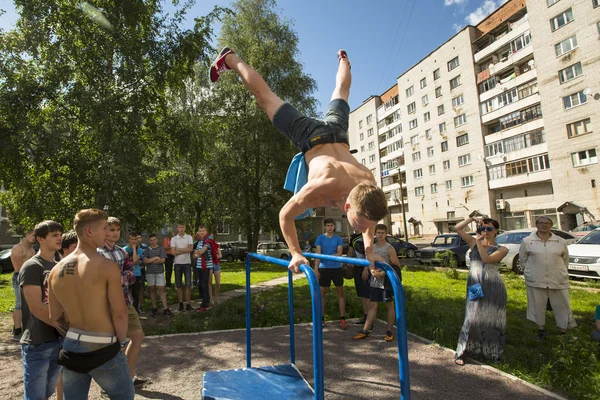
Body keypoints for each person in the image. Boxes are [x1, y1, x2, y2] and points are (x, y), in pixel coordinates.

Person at [209, 47, 388, 275]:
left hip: (338, 134)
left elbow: (370, 221)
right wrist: (295, 251)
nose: (364, 229)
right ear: (346, 206)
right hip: (309, 136)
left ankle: (344, 59)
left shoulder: (368, 186)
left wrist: (370, 252)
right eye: (361, 224)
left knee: (342, 92)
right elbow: (285, 215)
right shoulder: (318, 188)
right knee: (265, 97)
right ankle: (230, 58)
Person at [48, 209, 134, 400]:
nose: (107, 232)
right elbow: (119, 313)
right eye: (104, 228)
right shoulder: (106, 266)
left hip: (71, 346)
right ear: (89, 231)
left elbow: (54, 317)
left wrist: (76, 336)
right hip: (103, 344)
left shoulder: (55, 271)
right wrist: (121, 343)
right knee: (124, 396)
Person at [97, 217, 147, 386]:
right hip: (107, 305)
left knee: (137, 336)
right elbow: (99, 279)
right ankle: (110, 385)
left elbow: (131, 274)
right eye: (111, 230)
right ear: (104, 230)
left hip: (126, 301)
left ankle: (128, 377)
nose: (115, 233)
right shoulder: (97, 252)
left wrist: (117, 278)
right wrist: (117, 278)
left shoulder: (122, 251)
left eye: (117, 230)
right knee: (113, 345)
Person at [18, 220, 64, 400]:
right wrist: (64, 328)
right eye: (54, 235)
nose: (59, 238)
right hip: (38, 341)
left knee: (46, 393)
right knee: (36, 396)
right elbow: (36, 308)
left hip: (58, 340)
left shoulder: (57, 266)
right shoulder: (32, 266)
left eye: (60, 234)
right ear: (40, 239)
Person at [454, 217, 508, 365]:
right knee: (471, 318)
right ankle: (463, 352)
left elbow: (487, 260)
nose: (485, 232)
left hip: (493, 287)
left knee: (493, 319)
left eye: (489, 229)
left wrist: (478, 243)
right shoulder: (473, 243)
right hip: (475, 285)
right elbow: (458, 229)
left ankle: (492, 353)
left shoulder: (502, 249)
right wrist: (471, 218)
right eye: (482, 229)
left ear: (496, 231)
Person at [520, 215, 576, 340]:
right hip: (536, 279)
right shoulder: (527, 241)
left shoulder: (559, 241)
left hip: (557, 278)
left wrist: (561, 272)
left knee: (562, 304)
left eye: (547, 223)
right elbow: (523, 259)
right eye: (541, 222)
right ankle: (541, 329)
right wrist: (529, 272)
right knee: (538, 304)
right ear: (537, 225)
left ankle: (563, 329)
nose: (544, 225)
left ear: (551, 225)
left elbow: (565, 259)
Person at [353, 224, 400, 342]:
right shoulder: (371, 248)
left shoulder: (389, 248)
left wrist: (383, 273)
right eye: (378, 232)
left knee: (389, 305)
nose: (380, 235)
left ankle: (389, 330)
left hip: (386, 282)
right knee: (373, 305)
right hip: (374, 282)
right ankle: (365, 330)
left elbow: (396, 266)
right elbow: (369, 263)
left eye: (383, 233)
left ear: (386, 234)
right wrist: (372, 271)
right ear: (375, 233)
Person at [314, 218, 346, 330]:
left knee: (340, 293)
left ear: (334, 227)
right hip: (324, 268)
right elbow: (318, 254)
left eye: (332, 225)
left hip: (336, 268)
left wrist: (332, 256)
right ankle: (321, 318)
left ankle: (342, 318)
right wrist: (316, 269)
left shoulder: (338, 239)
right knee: (322, 294)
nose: (330, 227)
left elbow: (340, 252)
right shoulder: (320, 238)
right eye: (328, 225)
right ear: (324, 227)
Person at [10, 229, 35, 341]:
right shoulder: (18, 248)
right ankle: (17, 330)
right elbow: (19, 267)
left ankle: (26, 328)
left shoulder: (32, 249)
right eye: (33, 235)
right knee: (19, 303)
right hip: (19, 277)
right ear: (27, 234)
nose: (34, 238)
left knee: (29, 304)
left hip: (29, 278)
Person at [143, 234, 173, 317]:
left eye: (154, 239)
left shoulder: (161, 249)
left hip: (159, 272)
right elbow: (145, 261)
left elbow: (162, 260)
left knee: (161, 289)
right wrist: (156, 258)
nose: (153, 241)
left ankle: (165, 308)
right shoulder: (147, 250)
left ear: (157, 240)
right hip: (150, 272)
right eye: (151, 240)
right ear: (149, 241)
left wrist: (150, 260)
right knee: (152, 289)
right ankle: (154, 307)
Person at [346, 230, 370, 327]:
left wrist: (366, 269)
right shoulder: (353, 237)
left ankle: (370, 318)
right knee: (362, 293)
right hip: (356, 266)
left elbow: (369, 253)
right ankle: (366, 315)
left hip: (365, 267)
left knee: (367, 293)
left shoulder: (366, 234)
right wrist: (345, 262)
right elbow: (350, 251)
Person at [194, 226, 217, 312]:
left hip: (206, 266)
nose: (201, 232)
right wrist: (197, 253)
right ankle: (205, 302)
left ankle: (204, 304)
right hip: (199, 266)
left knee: (205, 285)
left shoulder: (208, 241)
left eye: (203, 231)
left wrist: (198, 253)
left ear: (206, 232)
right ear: (198, 232)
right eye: (200, 231)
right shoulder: (199, 242)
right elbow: (195, 254)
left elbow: (200, 252)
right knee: (200, 285)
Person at [171, 223, 194, 312]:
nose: (181, 229)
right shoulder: (174, 239)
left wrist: (179, 249)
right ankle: (181, 304)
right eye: (180, 227)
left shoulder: (189, 237)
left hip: (187, 263)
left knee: (188, 284)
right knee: (178, 285)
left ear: (185, 228)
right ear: (177, 228)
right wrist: (185, 249)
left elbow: (190, 249)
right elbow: (173, 252)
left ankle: (188, 304)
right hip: (177, 263)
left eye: (183, 227)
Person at [123, 233, 145, 314]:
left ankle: (136, 311)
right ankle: (127, 311)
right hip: (127, 274)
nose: (134, 241)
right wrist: (131, 262)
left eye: (135, 239)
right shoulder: (124, 250)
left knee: (136, 293)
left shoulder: (139, 250)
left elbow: (135, 261)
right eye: (132, 239)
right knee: (127, 293)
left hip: (136, 273)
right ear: (129, 239)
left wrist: (134, 249)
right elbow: (124, 264)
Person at [210, 234, 222, 304]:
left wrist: (215, 257)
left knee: (218, 282)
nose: (211, 238)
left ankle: (215, 297)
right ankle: (211, 298)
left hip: (216, 264)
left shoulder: (216, 245)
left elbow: (220, 255)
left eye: (212, 237)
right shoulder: (206, 245)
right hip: (209, 264)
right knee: (210, 282)